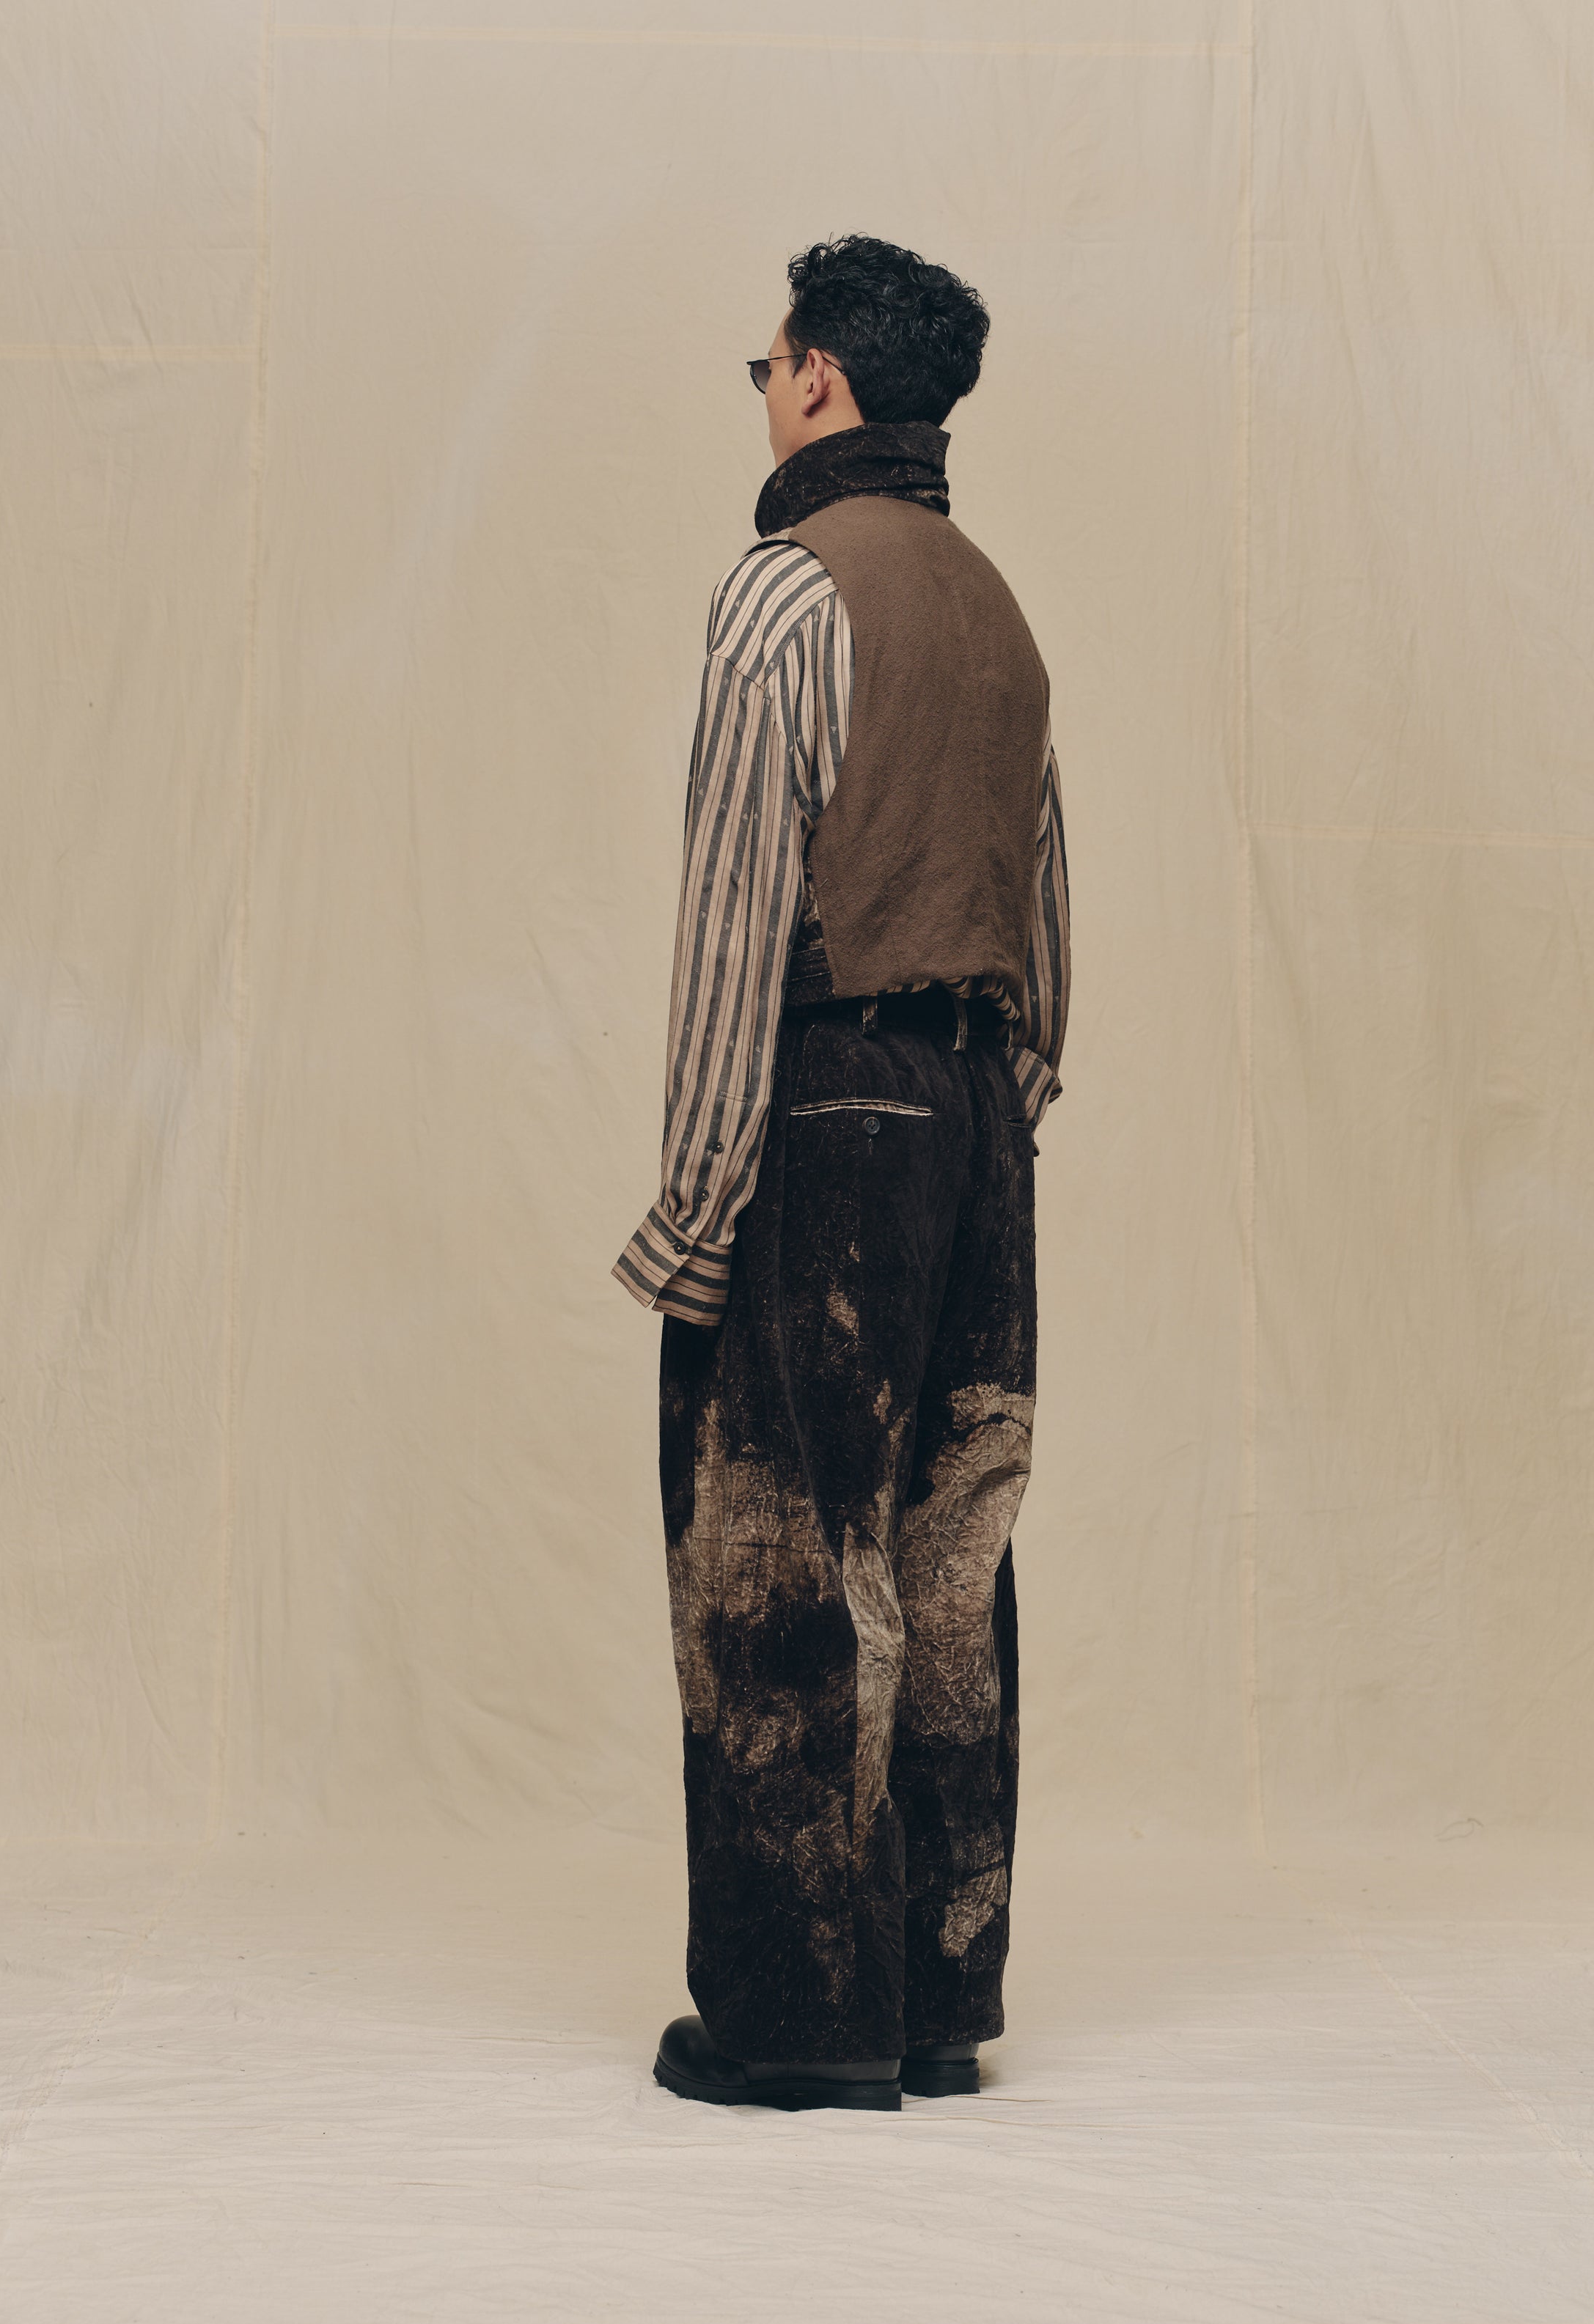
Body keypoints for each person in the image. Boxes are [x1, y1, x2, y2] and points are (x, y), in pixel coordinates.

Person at [613, 235, 1070, 2112]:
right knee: (953, 1557)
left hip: (826, 1109)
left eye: (769, 363)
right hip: (977, 1128)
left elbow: (737, 925)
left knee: (786, 1552)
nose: (767, 390)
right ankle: (937, 1997)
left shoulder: (785, 593)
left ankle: (803, 2025)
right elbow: (1044, 937)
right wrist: (989, 1123)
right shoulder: (1000, 614)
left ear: (819, 379)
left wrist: (697, 1209)